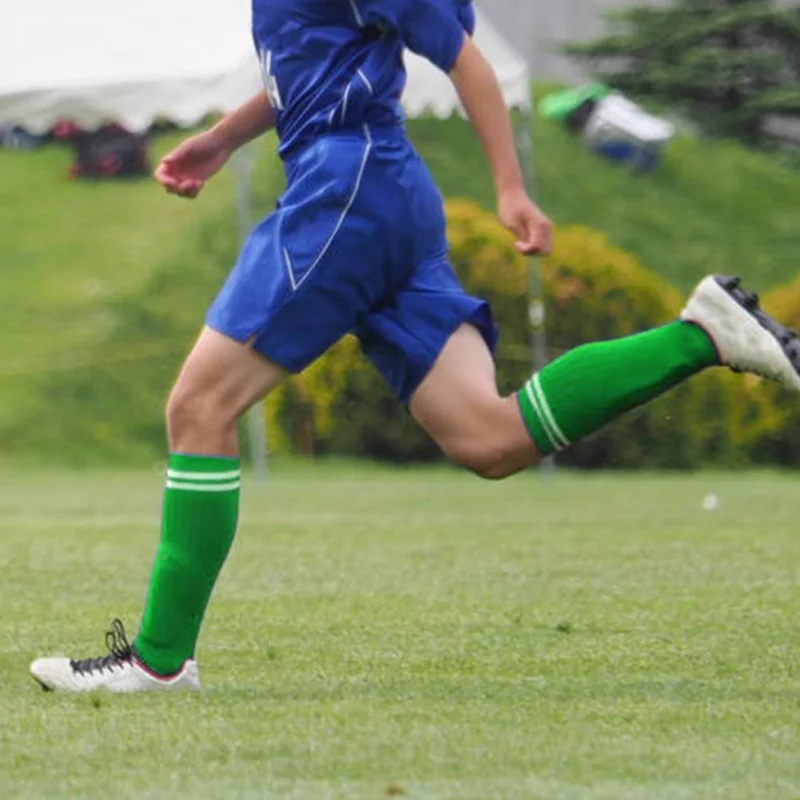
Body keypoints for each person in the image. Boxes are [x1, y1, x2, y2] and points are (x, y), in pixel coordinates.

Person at [30, 0, 800, 693]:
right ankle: (703, 334)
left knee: (199, 406)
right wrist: (223, 139)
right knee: (489, 438)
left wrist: (509, 187)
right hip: (384, 193)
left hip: (346, 190)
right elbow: (310, 64)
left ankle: (158, 661)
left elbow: (463, 55)